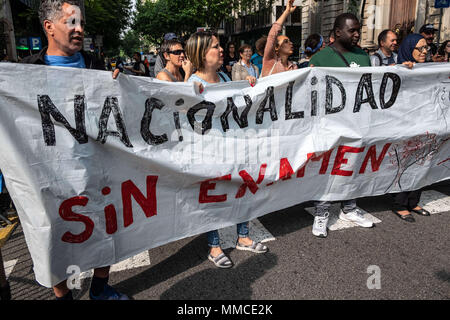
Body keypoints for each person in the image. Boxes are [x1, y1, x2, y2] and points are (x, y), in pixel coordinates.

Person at [21, 0, 126, 300]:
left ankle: (100, 288)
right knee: (53, 237)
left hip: (95, 169)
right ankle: (63, 296)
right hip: (49, 173)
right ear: (49, 27)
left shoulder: (96, 65)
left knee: (107, 225)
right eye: (71, 23)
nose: (79, 29)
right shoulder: (23, 72)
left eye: (81, 23)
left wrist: (119, 85)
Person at [185, 30, 265, 268]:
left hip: (233, 147)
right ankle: (214, 245)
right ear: (201, 53)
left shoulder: (223, 76)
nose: (221, 50)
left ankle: (243, 236)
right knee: (213, 198)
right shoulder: (191, 84)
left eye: (220, 46)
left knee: (242, 188)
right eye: (215, 47)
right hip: (208, 152)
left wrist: (248, 86)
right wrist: (189, 93)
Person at [308, 13, 374, 237]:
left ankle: (349, 207)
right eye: (352, 30)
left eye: (358, 30)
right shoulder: (321, 58)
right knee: (328, 169)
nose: (357, 34)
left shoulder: (364, 57)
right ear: (337, 33)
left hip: (357, 125)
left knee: (352, 166)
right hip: (330, 127)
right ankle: (322, 212)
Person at [390, 34, 433, 222]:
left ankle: (413, 201)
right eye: (420, 48)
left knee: (423, 162)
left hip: (425, 123)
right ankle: (400, 204)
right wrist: (399, 70)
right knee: (404, 163)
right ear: (409, 49)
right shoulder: (397, 69)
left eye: (426, 48)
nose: (424, 52)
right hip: (404, 125)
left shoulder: (429, 70)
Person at [260, 0, 298, 77]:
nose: (291, 43)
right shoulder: (270, 61)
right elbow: (272, 34)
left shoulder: (294, 67)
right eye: (286, 41)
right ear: (276, 47)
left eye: (290, 41)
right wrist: (287, 12)